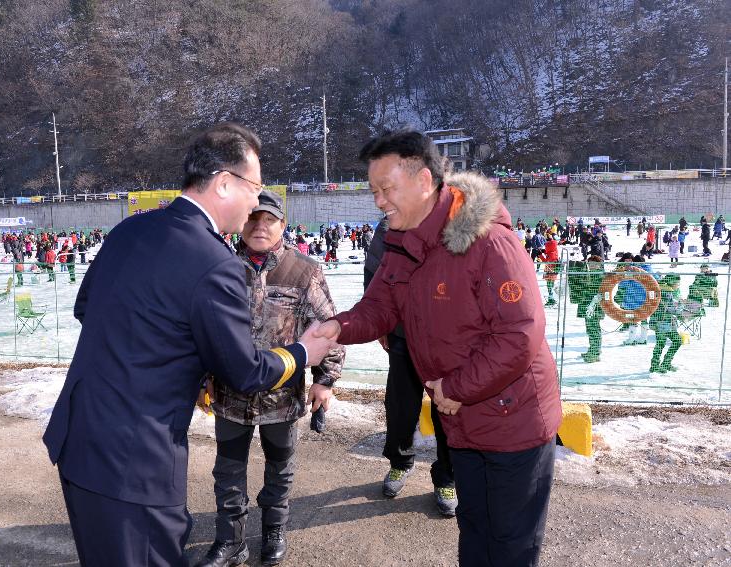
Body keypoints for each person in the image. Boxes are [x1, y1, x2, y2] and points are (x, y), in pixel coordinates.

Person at [42, 123, 336, 567]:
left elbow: (87, 308)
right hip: (134, 459)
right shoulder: (216, 264)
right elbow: (246, 371)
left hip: (79, 436)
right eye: (255, 188)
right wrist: (303, 354)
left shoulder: (130, 230)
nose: (258, 202)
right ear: (223, 182)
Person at [313, 130, 561, 567]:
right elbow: (380, 306)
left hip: (513, 419)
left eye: (386, 189)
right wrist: (336, 327)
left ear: (424, 181)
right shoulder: (404, 240)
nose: (379, 201)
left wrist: (456, 388)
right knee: (476, 530)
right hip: (460, 419)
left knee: (509, 545)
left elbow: (520, 332)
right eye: (374, 191)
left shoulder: (489, 242)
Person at [196, 191, 345, 567]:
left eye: (270, 220)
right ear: (242, 221)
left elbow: (328, 329)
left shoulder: (304, 271)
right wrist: (200, 378)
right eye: (253, 218)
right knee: (228, 470)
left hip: (283, 397)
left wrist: (325, 379)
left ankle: (274, 530)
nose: (260, 226)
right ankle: (230, 540)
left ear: (283, 224)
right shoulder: (222, 267)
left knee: (280, 468)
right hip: (231, 396)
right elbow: (202, 330)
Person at [364, 217, 457, 516]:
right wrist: (380, 322)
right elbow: (373, 273)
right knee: (401, 407)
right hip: (402, 334)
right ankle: (400, 462)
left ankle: (447, 476)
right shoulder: (390, 225)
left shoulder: (454, 220)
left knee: (446, 408)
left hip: (446, 339)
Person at [569, 255, 606, 362]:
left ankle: (595, 353)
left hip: (596, 307)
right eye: (590, 263)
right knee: (590, 329)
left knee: (594, 329)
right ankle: (593, 350)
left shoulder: (600, 275)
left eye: (595, 263)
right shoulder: (587, 274)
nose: (592, 265)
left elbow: (602, 291)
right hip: (586, 306)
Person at [649, 274, 684, 373]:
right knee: (674, 342)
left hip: (662, 322)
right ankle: (660, 365)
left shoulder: (663, 289)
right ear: (672, 282)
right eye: (677, 283)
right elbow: (669, 308)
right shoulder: (665, 292)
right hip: (662, 323)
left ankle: (660, 364)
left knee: (662, 344)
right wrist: (680, 308)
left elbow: (669, 304)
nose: (678, 285)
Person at [540, 233, 559, 306]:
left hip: (549, 271)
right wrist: (544, 252)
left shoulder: (551, 254)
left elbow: (546, 262)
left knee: (549, 286)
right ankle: (551, 298)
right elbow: (549, 253)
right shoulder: (554, 250)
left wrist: (540, 255)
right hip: (554, 271)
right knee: (551, 285)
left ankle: (551, 299)